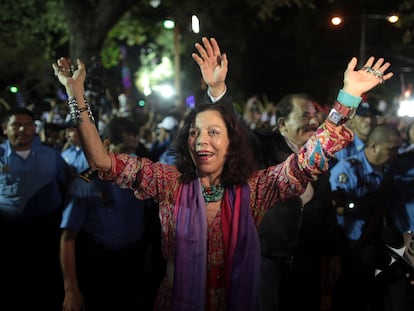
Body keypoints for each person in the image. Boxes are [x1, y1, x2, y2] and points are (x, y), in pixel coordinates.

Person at [53, 36, 392, 310]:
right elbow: (101, 161)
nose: (202, 139)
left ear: (232, 143)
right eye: (195, 132)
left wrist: (348, 97)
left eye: (214, 132)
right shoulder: (168, 182)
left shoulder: (257, 188)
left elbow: (308, 158)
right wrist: (75, 93)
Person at [251, 93, 345, 311]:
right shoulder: (261, 147)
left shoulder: (317, 155)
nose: (313, 121)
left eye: (315, 116)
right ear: (283, 123)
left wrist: (334, 254)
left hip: (306, 261)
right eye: (305, 116)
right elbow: (231, 129)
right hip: (265, 260)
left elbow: (325, 208)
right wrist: (217, 91)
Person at [60, 117, 159, 311]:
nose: (128, 159)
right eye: (123, 150)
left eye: (133, 152)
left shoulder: (140, 176)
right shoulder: (86, 183)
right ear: (106, 144)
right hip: (100, 266)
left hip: (135, 260)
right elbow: (68, 237)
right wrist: (71, 289)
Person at [0, 107, 73, 310]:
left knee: (47, 281)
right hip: (10, 232)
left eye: (27, 125)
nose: (21, 129)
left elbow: (66, 181)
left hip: (46, 230)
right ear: (5, 128)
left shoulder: (52, 156)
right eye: (16, 125)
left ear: (34, 128)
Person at [329, 123, 404, 311]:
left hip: (372, 243)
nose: (394, 155)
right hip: (346, 244)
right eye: (390, 150)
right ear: (374, 147)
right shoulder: (347, 170)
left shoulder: (387, 170)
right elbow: (337, 209)